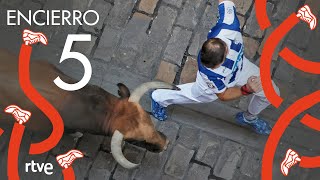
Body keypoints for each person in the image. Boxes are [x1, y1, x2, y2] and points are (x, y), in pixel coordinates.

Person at [151, 0, 280, 135]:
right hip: (216, 86)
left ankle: (249, 118)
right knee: (193, 95)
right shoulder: (211, 76)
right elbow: (223, 95)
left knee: (271, 93)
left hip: (241, 69)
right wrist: (247, 89)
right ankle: (159, 97)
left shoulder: (228, 25)